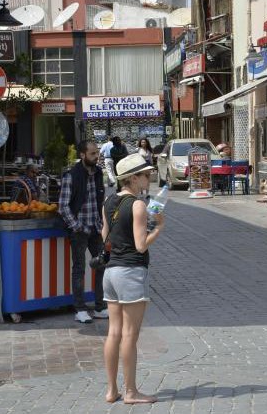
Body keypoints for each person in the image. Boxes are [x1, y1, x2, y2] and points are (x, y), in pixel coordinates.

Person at [102, 153, 164, 405]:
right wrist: (158, 227)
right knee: (129, 335)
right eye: (146, 175)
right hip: (131, 271)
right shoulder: (138, 205)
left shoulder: (108, 201)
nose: (149, 179)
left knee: (113, 332)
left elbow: (105, 236)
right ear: (133, 178)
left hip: (111, 272)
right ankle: (130, 392)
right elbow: (140, 246)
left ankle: (111, 390)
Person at [58, 140, 107, 323]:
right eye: (93, 153)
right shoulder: (71, 176)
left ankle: (100, 306)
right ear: (82, 155)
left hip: (95, 227)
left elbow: (99, 199)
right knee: (79, 269)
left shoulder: (98, 173)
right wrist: (77, 226)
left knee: (102, 264)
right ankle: (80, 309)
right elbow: (63, 206)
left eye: (97, 153)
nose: (97, 156)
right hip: (79, 230)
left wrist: (102, 223)